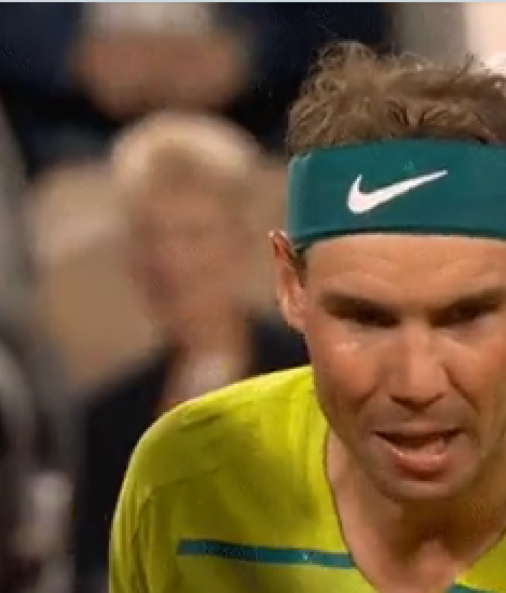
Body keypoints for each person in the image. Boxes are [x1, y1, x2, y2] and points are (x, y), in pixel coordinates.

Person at [109, 42, 506, 593]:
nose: (417, 384)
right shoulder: (185, 484)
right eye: (366, 319)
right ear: (291, 286)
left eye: (465, 317)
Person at [71, 113, 307, 593]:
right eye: (152, 236)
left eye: (193, 234)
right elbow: (95, 570)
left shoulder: (309, 377)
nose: (171, 261)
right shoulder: (109, 418)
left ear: (242, 242)